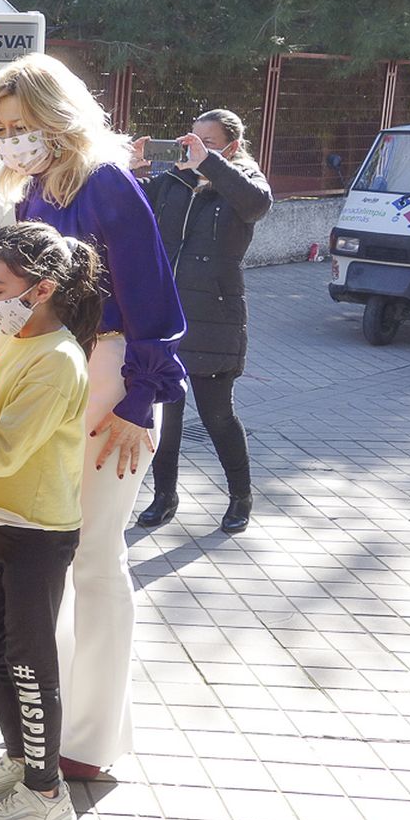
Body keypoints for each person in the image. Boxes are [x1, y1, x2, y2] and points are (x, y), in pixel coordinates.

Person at [0, 53, 186, 780]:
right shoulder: (32, 195)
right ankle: (63, 727)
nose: (11, 138)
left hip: (114, 386)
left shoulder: (107, 185)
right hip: (62, 386)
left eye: (23, 124)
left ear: (56, 116)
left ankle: (90, 743)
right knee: (63, 565)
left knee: (96, 561)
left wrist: (138, 401)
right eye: (1, 128)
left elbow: (155, 304)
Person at [0, 222, 99, 820]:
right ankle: (22, 759)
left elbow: (3, 450)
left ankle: (47, 793)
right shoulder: (13, 334)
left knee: (28, 663)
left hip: (39, 532)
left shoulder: (59, 359)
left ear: (41, 288)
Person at [133, 109, 273, 534]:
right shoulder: (174, 181)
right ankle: (164, 496)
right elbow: (131, 205)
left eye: (206, 143)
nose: (192, 150)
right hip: (167, 314)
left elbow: (256, 205)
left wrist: (208, 163)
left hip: (215, 317)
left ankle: (240, 496)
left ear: (231, 147)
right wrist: (129, 168)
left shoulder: (245, 183)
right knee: (166, 416)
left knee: (217, 416)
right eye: (189, 140)